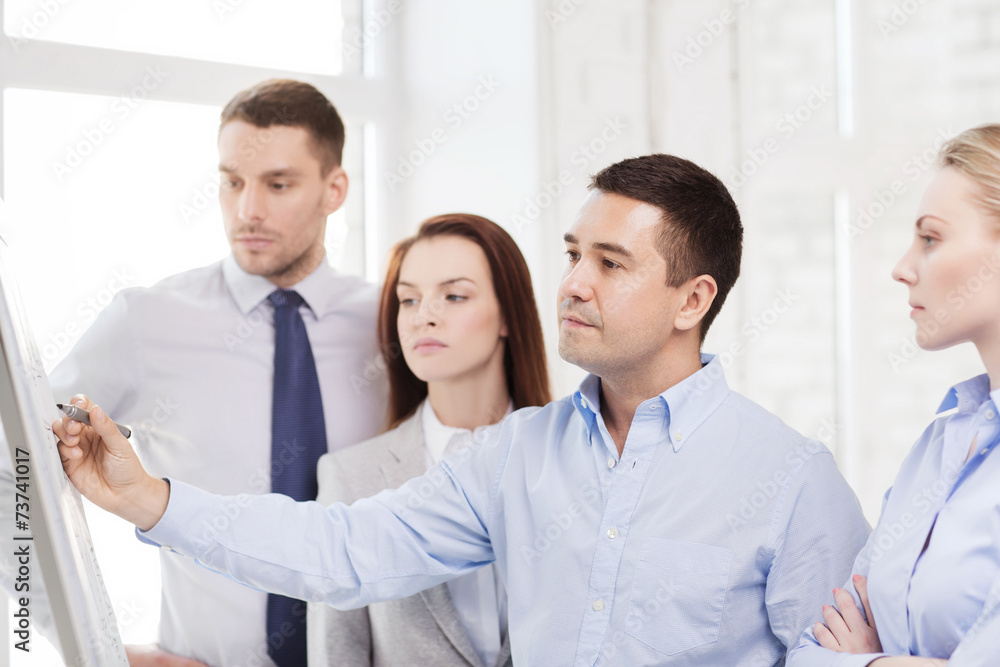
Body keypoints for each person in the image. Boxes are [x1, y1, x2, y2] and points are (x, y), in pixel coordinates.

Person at [56, 153, 871, 665]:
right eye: (573, 254)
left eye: (611, 262)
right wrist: (150, 499)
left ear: (693, 299)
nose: (573, 283)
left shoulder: (791, 480)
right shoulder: (517, 452)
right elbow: (344, 549)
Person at [31, 79, 386, 666]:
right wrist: (89, 645)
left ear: (334, 189)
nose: (248, 209)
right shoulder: (146, 322)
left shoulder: (391, 326)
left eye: (278, 184)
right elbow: (12, 470)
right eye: (232, 182)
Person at [787, 124, 1000, 666]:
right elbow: (809, 655)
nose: (902, 268)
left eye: (931, 239)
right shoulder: (941, 443)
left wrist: (869, 660)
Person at [307, 213, 551, 667]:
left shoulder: (572, 459)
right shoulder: (351, 476)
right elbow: (337, 654)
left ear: (507, 316)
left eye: (454, 296)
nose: (425, 317)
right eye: (409, 299)